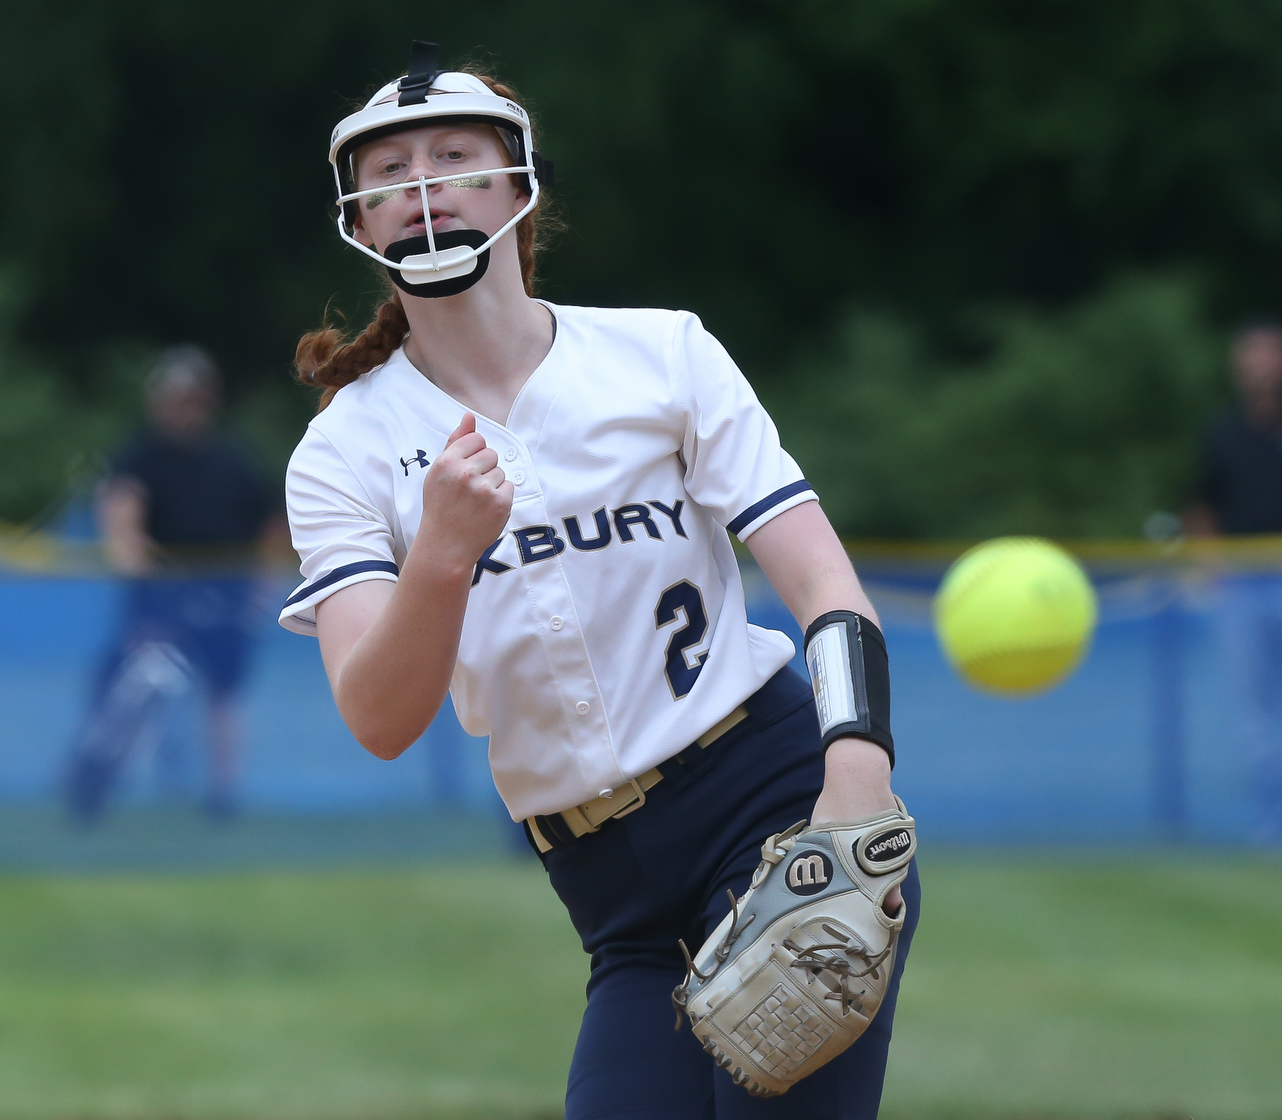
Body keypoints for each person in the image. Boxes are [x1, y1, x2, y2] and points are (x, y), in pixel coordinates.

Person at [280, 44, 919, 1117]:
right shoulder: (342, 450)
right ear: (360, 214)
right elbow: (379, 719)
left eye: (453, 157)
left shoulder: (660, 355)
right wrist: (439, 554)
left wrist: (852, 788)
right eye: (388, 172)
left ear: (516, 186)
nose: (421, 186)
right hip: (613, 902)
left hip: (770, 814)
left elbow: (826, 590)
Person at [65, 345, 283, 822]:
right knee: (138, 686)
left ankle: (222, 799)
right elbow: (123, 521)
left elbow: (271, 522)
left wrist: (261, 588)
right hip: (160, 603)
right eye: (175, 396)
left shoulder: (232, 460)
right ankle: (95, 780)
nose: (185, 406)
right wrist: (145, 574)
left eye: (194, 396)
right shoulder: (140, 456)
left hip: (224, 597)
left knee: (223, 694)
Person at [1190, 319, 1282, 841]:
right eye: (1248, 356)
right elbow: (1202, 504)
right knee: (1257, 719)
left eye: (1266, 354)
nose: (1256, 365)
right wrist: (1210, 572)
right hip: (1244, 585)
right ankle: (1272, 828)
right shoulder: (1224, 432)